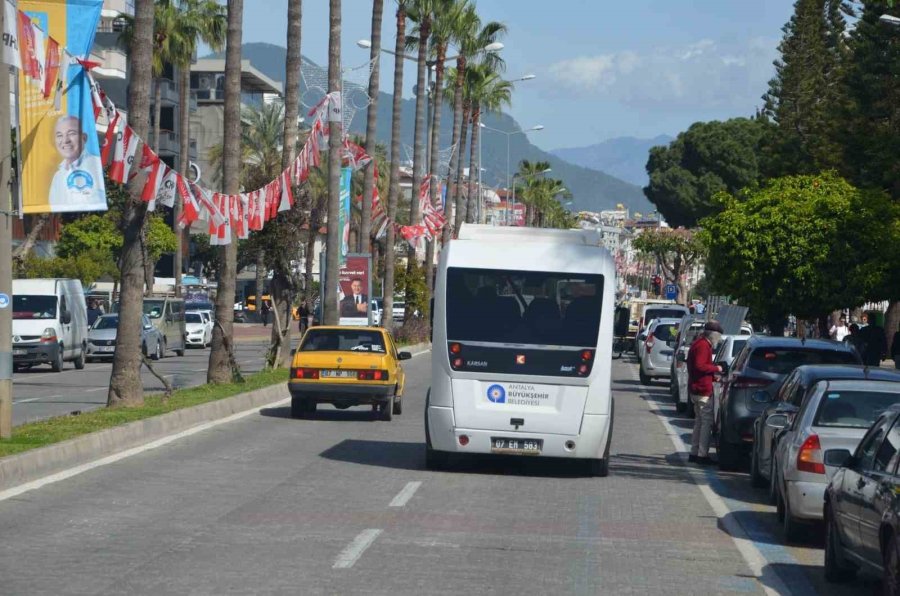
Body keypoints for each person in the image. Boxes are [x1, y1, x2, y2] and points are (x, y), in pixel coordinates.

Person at [49, 115, 106, 211]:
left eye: (71, 133)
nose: (65, 140)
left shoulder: (97, 165)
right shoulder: (58, 176)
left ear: (84, 138)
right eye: (59, 135)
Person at [687, 320, 724, 466]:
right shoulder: (703, 346)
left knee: (699, 422)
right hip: (702, 389)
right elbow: (700, 366)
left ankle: (694, 452)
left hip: (696, 387)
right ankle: (702, 455)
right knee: (706, 423)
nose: (719, 340)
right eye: (718, 337)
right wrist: (717, 369)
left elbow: (698, 367)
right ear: (713, 335)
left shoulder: (698, 343)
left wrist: (712, 376)